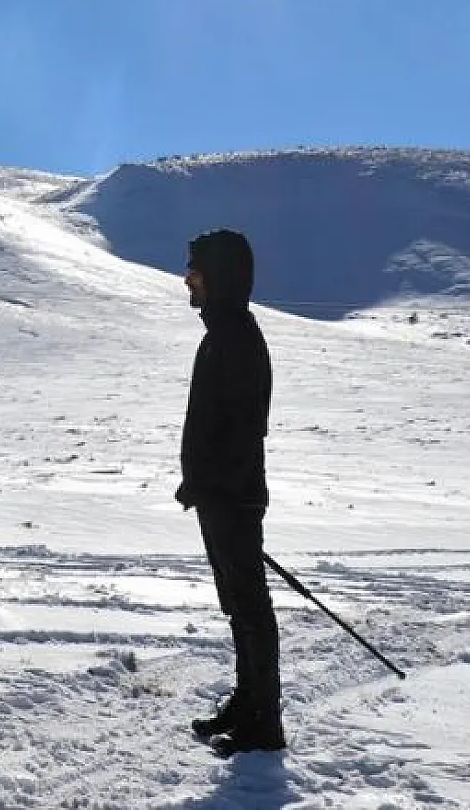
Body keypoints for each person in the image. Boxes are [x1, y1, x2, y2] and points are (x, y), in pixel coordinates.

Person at [177, 228, 285, 755]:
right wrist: (197, 479)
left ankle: (265, 722)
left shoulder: (237, 336)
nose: (187, 280)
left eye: (195, 271)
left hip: (233, 497)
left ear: (216, 277)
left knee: (250, 606)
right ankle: (248, 703)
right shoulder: (223, 333)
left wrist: (215, 485)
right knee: (238, 605)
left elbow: (243, 428)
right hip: (221, 495)